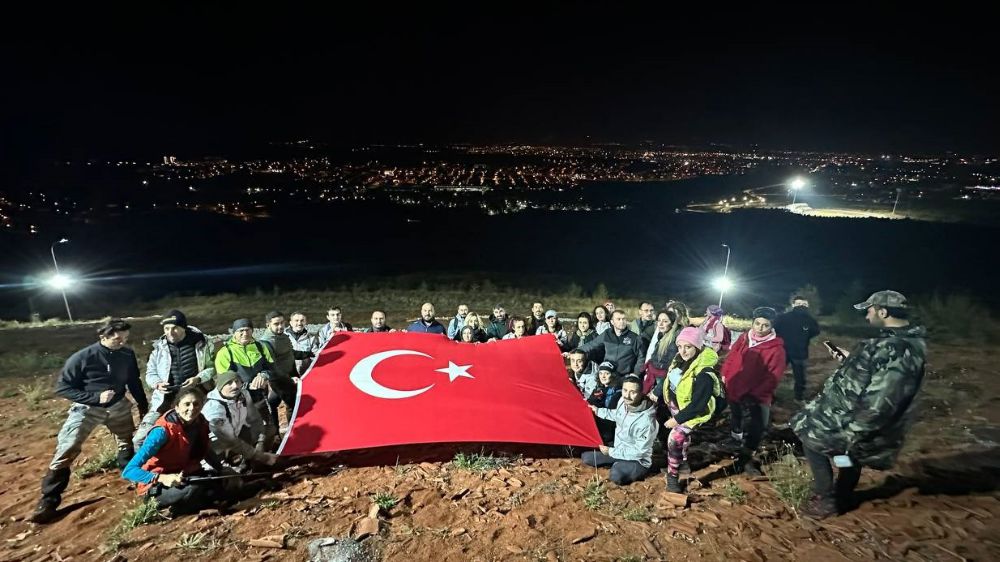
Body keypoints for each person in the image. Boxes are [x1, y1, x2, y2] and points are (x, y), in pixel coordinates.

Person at [792, 290, 926, 518]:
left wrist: (854, 430)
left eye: (870, 311)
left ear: (883, 312)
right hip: (850, 414)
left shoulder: (898, 347)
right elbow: (876, 372)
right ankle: (840, 495)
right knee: (847, 457)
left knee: (813, 443)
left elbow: (884, 397)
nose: (867, 316)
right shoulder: (893, 342)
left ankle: (826, 499)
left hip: (855, 419)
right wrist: (850, 359)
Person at [30, 319, 150, 524]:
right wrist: (95, 398)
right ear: (103, 337)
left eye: (126, 339)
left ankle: (130, 475)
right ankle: (48, 500)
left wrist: (142, 404)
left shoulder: (126, 354)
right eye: (118, 339)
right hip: (88, 408)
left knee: (125, 440)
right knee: (68, 446)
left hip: (119, 405)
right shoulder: (83, 357)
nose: (122, 342)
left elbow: (133, 381)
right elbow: (63, 387)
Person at [121, 386, 230, 514]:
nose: (192, 408)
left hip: (186, 476)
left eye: (196, 404)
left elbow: (206, 451)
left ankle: (204, 502)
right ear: (177, 407)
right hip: (158, 485)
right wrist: (162, 478)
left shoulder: (201, 423)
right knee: (194, 490)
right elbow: (129, 471)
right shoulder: (162, 432)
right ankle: (170, 511)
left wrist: (222, 470)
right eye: (186, 404)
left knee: (221, 483)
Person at [134, 309, 216, 449]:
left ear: (183, 327)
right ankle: (145, 467)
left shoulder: (202, 344)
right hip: (166, 397)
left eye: (175, 328)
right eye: (166, 328)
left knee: (206, 433)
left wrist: (198, 378)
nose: (170, 332)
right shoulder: (158, 348)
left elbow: (212, 368)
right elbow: (150, 373)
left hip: (196, 395)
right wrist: (157, 384)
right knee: (140, 439)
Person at [721, 307, 786, 476]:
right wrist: (725, 375)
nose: (760, 328)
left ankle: (747, 456)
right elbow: (731, 358)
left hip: (757, 395)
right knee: (736, 414)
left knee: (757, 425)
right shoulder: (744, 338)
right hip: (735, 386)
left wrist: (756, 394)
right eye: (757, 323)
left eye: (765, 325)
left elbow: (773, 376)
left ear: (772, 326)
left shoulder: (776, 348)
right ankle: (735, 438)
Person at [661, 327, 723, 492]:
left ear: (697, 346)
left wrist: (677, 419)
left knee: (675, 438)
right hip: (677, 406)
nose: (683, 351)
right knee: (683, 440)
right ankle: (682, 463)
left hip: (693, 412)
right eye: (680, 346)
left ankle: (672, 477)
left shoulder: (704, 373)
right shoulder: (679, 359)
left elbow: (698, 405)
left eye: (688, 347)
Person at [581, 375, 657, 485]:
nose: (627, 396)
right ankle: (619, 463)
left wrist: (611, 452)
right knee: (586, 458)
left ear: (641, 393)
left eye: (633, 392)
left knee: (615, 475)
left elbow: (640, 452)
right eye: (625, 390)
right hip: (619, 449)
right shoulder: (623, 401)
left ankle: (628, 467)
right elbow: (617, 415)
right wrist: (598, 411)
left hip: (637, 460)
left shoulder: (647, 422)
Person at [214, 319, 277, 450]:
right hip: (238, 402)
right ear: (234, 333)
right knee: (245, 433)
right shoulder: (225, 352)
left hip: (259, 397)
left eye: (248, 330)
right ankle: (247, 462)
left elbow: (271, 367)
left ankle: (265, 454)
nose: (245, 333)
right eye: (240, 331)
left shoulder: (260, 346)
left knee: (269, 428)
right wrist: (246, 386)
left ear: (252, 331)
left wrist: (264, 375)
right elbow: (223, 382)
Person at [202, 371, 279, 467]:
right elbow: (229, 440)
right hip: (215, 449)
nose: (235, 386)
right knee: (233, 479)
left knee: (269, 430)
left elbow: (255, 420)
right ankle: (231, 466)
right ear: (220, 387)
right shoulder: (214, 408)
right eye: (229, 383)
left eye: (237, 381)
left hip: (236, 437)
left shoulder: (243, 395)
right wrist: (260, 456)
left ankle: (250, 463)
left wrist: (260, 442)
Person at [259, 311, 313, 432]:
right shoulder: (266, 342)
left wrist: (309, 354)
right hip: (280, 379)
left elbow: (291, 353)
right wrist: (289, 379)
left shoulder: (283, 336)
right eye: (276, 324)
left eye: (282, 323)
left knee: (274, 402)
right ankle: (292, 432)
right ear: (268, 325)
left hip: (290, 374)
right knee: (294, 405)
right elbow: (272, 366)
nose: (280, 326)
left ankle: (284, 430)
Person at [773, 296, 821, 401]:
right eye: (800, 304)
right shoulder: (807, 319)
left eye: (803, 304)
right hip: (793, 351)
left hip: (791, 351)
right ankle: (797, 398)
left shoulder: (808, 320)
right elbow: (816, 331)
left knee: (778, 374)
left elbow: (816, 331)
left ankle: (770, 395)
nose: (801, 306)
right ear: (793, 305)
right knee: (796, 376)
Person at [577, 310, 646, 378]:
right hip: (607, 374)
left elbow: (641, 357)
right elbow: (592, 345)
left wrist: (636, 373)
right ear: (612, 322)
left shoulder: (634, 337)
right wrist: (575, 352)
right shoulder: (607, 334)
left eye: (624, 319)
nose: (622, 321)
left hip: (624, 376)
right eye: (618, 319)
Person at [641, 310, 680, 398]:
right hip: (654, 377)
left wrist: (657, 391)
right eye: (659, 320)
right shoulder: (662, 336)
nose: (661, 324)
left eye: (665, 321)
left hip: (661, 382)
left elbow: (670, 370)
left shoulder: (673, 342)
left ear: (672, 323)